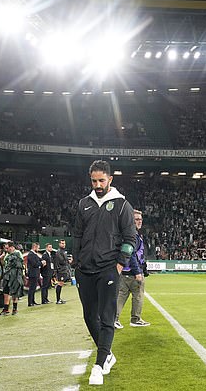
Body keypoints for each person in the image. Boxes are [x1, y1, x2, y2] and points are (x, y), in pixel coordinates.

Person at [73, 160, 136, 386]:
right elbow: (78, 235)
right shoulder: (84, 204)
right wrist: (76, 263)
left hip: (108, 269)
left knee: (107, 317)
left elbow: (130, 239)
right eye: (94, 180)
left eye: (101, 180)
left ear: (110, 179)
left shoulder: (121, 205)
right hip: (84, 270)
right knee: (89, 316)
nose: (97, 185)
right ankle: (107, 353)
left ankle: (98, 366)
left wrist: (119, 265)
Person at [115, 209, 150, 329]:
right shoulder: (133, 235)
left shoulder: (125, 233)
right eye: (137, 219)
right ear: (131, 220)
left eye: (140, 219)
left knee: (121, 296)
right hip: (132, 272)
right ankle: (136, 319)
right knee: (138, 295)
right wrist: (138, 272)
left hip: (123, 271)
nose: (139, 221)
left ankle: (114, 318)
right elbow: (132, 254)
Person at [0, 242, 25, 316]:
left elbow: (20, 264)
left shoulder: (18, 253)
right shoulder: (6, 254)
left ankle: (15, 309)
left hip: (15, 276)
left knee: (14, 293)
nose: (6, 249)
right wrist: (2, 259)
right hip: (7, 276)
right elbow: (4, 264)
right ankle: (6, 309)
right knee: (6, 292)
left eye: (7, 248)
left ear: (12, 247)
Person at [54, 239, 72, 304]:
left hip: (63, 270)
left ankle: (59, 299)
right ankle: (58, 300)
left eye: (64, 243)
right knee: (60, 284)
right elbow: (61, 261)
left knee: (60, 284)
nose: (63, 244)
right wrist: (68, 261)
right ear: (59, 244)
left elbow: (65, 260)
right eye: (62, 243)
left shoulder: (63, 251)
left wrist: (68, 261)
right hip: (61, 270)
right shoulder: (59, 252)